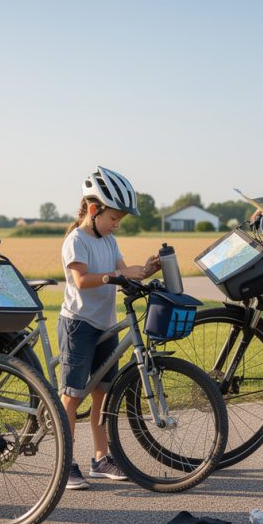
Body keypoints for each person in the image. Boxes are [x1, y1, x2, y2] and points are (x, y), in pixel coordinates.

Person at [59, 167, 161, 490]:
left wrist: (144, 269)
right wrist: (110, 278)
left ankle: (101, 458)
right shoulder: (77, 240)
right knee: (72, 397)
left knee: (103, 394)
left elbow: (123, 270)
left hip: (104, 324)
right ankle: (65, 463)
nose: (117, 225)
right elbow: (81, 280)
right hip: (79, 325)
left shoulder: (110, 241)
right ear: (93, 210)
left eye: (119, 220)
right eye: (114, 218)